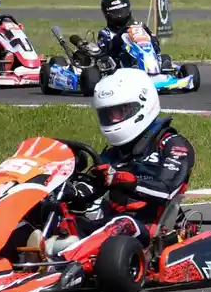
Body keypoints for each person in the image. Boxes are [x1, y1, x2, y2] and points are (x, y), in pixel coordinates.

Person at [42, 69, 194, 257]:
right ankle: (29, 253)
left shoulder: (172, 145)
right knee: (63, 217)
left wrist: (123, 180)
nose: (113, 119)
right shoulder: (115, 152)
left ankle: (65, 258)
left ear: (143, 106)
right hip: (109, 228)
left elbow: (166, 191)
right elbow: (93, 186)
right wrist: (70, 192)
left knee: (123, 224)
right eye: (107, 114)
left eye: (121, 111)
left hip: (151, 229)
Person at [97, 0, 164, 66]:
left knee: (166, 58)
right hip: (121, 68)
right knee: (124, 55)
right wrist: (118, 40)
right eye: (115, 13)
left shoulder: (140, 26)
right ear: (107, 14)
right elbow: (103, 55)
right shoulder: (106, 34)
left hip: (147, 62)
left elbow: (155, 43)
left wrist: (152, 41)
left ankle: (157, 67)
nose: (120, 16)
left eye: (122, 12)